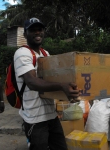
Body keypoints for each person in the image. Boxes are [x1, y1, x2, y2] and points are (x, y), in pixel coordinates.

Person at [14, 17, 80, 150]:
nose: (37, 32)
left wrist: (68, 93)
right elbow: (32, 82)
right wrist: (62, 86)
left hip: (50, 114)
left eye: (40, 29)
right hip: (34, 118)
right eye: (33, 30)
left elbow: (52, 81)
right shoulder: (22, 53)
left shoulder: (45, 53)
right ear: (25, 34)